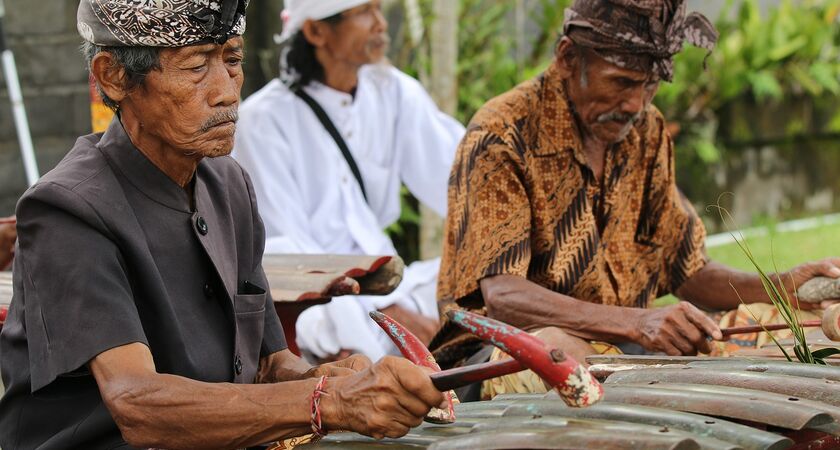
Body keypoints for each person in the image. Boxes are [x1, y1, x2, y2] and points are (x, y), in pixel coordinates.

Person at [0, 1, 443, 448]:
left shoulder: (228, 183)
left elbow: (269, 365)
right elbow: (136, 403)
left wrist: (328, 377)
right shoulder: (66, 209)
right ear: (114, 76)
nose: (227, 92)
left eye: (232, 59)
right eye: (196, 66)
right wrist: (327, 401)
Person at [429, 0, 840, 400]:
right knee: (559, 348)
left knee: (801, 327)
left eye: (650, 85)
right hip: (496, 357)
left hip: (628, 350)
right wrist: (638, 323)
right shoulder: (502, 134)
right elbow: (504, 297)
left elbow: (688, 272)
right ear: (568, 58)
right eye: (622, 82)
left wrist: (782, 288)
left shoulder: (646, 130)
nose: (636, 103)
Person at [234, 0, 465, 362]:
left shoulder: (394, 93)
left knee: (477, 282)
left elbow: (461, 182)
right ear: (315, 31)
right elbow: (289, 256)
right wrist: (390, 311)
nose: (380, 24)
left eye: (378, 8)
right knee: (321, 315)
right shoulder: (262, 122)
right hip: (320, 303)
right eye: (363, 12)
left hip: (390, 284)